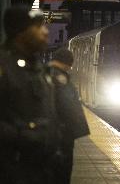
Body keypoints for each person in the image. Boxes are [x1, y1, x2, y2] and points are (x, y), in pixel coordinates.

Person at [0, 6, 60, 184]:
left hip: (41, 170)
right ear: (21, 32)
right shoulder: (4, 67)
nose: (45, 32)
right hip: (11, 169)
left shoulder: (38, 68)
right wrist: (23, 134)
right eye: (38, 27)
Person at [48, 47, 90, 184]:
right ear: (67, 63)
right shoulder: (59, 78)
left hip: (53, 134)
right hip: (61, 136)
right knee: (61, 173)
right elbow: (66, 106)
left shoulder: (45, 74)